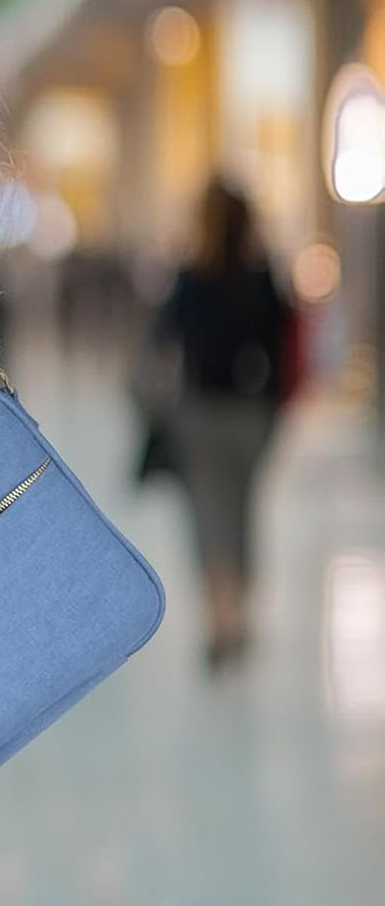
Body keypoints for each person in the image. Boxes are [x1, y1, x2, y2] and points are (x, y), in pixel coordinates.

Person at [152, 173, 289, 676]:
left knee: (209, 516)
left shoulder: (192, 275)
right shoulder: (261, 275)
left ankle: (221, 616)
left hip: (201, 411)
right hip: (251, 410)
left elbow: (166, 336)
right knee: (243, 510)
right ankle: (238, 612)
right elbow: (280, 344)